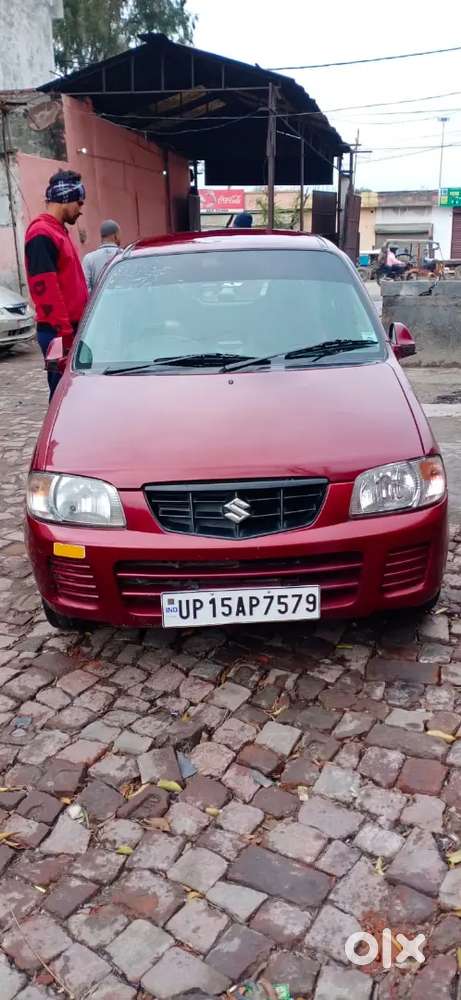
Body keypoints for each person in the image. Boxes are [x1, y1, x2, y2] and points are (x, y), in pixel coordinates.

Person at [25, 169, 88, 400]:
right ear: (64, 199)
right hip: (58, 334)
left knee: (72, 395)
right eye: (79, 202)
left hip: (69, 331)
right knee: (62, 398)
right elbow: (46, 291)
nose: (81, 209)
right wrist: (65, 336)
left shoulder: (58, 231)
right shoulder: (41, 234)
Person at [83, 219, 121, 293]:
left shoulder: (89, 258)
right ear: (115, 236)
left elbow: (85, 288)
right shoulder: (125, 256)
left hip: (100, 303)